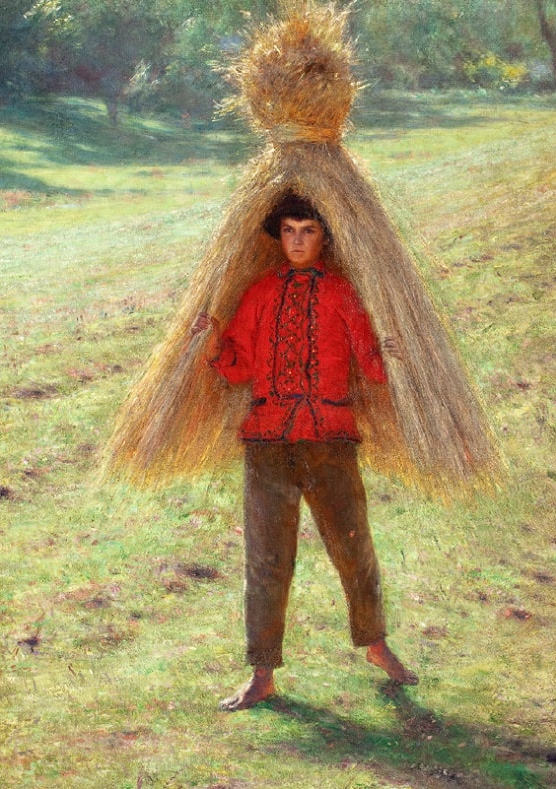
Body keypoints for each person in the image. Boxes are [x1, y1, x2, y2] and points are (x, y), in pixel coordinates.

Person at [192, 193, 417, 712]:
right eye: (289, 230)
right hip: (267, 443)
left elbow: (372, 366)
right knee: (266, 559)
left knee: (353, 547)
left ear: (323, 237)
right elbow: (237, 368)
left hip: (330, 441)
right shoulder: (259, 293)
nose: (297, 240)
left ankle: (376, 644)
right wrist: (213, 342)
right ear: (279, 237)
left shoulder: (342, 293)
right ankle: (262, 673)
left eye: (308, 230)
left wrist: (395, 356)